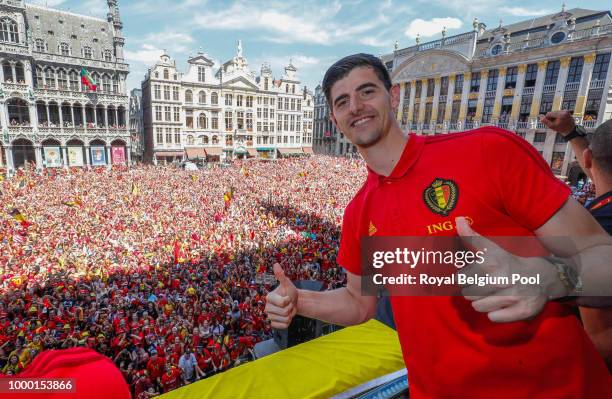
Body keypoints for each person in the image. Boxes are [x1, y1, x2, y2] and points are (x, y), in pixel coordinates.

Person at [265, 53, 612, 398]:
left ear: (394, 96)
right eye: (342, 101)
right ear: (335, 120)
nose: (355, 106)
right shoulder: (360, 212)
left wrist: (546, 278)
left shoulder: (487, 151)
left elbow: (603, 259)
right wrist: (301, 300)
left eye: (367, 91)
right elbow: (359, 303)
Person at [541, 110, 612, 370]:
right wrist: (571, 133)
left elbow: (602, 339)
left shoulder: (598, 230)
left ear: (588, 158)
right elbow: (600, 173)